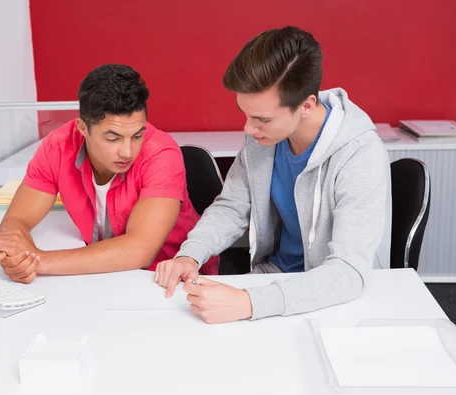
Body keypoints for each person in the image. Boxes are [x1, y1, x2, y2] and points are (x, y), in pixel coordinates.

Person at [154, 26, 392, 323]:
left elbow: (348, 271)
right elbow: (231, 208)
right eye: (245, 113)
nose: (248, 129)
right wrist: (190, 254)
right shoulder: (263, 139)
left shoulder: (359, 153)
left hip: (336, 299)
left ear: (306, 105)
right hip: (273, 281)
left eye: (262, 119)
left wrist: (250, 303)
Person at [0, 64, 218, 283]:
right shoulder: (58, 146)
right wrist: (14, 255)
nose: (128, 151)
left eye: (137, 135)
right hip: (104, 275)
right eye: (112, 138)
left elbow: (139, 249)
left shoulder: (162, 154)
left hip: (169, 279)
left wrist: (37, 261)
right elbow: (17, 220)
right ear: (83, 128)